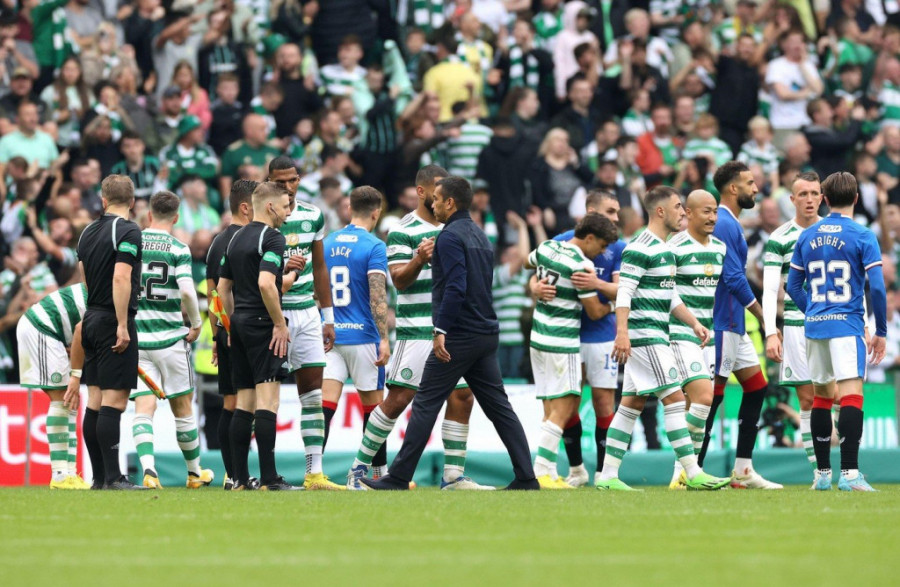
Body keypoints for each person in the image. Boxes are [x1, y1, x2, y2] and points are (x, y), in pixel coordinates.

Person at [361, 176, 538, 491]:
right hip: (486, 331)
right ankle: (526, 477)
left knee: (425, 403)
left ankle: (398, 477)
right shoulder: (480, 235)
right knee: (500, 408)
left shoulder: (448, 237)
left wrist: (440, 329)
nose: (434, 204)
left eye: (438, 199)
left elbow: (455, 288)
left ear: (450, 203)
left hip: (458, 335)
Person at [347, 166, 492, 491]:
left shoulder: (457, 228)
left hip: (452, 330)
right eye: (438, 189)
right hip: (416, 329)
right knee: (400, 398)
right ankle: (358, 468)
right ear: (423, 192)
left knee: (463, 396)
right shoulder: (403, 229)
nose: (443, 196)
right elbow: (398, 280)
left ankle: (453, 477)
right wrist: (418, 259)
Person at [596, 185, 730, 492]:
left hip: (656, 333)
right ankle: (691, 472)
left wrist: (694, 323)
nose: (682, 212)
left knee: (631, 404)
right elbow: (624, 292)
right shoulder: (639, 247)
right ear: (660, 211)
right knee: (675, 400)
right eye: (678, 206)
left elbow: (670, 295)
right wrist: (622, 333)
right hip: (646, 336)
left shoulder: (665, 248)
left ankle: (607, 475)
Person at [787, 172, 888, 492]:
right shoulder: (862, 235)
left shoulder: (807, 235)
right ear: (856, 198)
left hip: (815, 326)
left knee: (821, 397)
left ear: (825, 199)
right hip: (847, 325)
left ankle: (821, 474)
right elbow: (878, 288)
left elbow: (793, 286)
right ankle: (849, 473)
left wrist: (814, 312)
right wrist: (881, 330)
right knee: (851, 396)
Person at [539, 191, 625, 487]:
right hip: (568, 336)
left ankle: (604, 473)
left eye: (617, 212)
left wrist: (596, 283)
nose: (616, 218)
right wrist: (535, 288)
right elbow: (536, 270)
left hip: (601, 335)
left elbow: (623, 290)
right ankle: (577, 470)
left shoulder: (618, 247)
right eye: (610, 211)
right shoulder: (564, 240)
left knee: (603, 404)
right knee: (568, 405)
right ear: (591, 212)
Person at [217, 181, 298, 491]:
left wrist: (230, 324)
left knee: (244, 402)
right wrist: (279, 323)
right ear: (270, 206)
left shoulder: (234, 237)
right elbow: (266, 283)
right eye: (286, 206)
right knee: (268, 401)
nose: (288, 213)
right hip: (263, 324)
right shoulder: (272, 238)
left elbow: (222, 288)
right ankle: (269, 478)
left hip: (239, 323)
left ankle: (238, 478)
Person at [128, 191, 212, 490]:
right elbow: (188, 291)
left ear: (150, 214)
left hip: (138, 338)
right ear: (176, 218)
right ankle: (194, 473)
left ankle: (149, 470)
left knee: (143, 408)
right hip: (171, 340)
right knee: (183, 408)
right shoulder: (178, 247)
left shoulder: (133, 243)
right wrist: (196, 323)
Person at [708, 161, 782, 489]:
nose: (756, 188)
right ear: (733, 188)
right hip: (723, 322)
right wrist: (764, 317)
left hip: (734, 323)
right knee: (711, 397)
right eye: (750, 183)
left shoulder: (732, 223)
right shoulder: (724, 223)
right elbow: (733, 277)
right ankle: (688, 470)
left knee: (756, 388)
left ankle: (742, 470)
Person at [68, 174, 144, 490]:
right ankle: (113, 477)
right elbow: (121, 278)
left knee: (96, 400)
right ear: (133, 201)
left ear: (103, 200)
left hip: (92, 316)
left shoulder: (87, 231)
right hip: (114, 319)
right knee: (115, 401)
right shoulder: (128, 230)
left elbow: (85, 275)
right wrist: (122, 324)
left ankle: (99, 477)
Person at [269, 156, 339, 491]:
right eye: (279, 182)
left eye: (292, 180)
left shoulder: (313, 215)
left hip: (308, 314)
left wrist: (328, 317)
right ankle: (250, 472)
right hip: (271, 314)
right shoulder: (260, 217)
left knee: (312, 396)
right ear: (268, 182)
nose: (287, 188)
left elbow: (320, 268)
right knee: (262, 398)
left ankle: (314, 473)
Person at [319, 186, 389, 491]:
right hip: (364, 337)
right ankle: (376, 474)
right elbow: (378, 295)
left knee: (324, 406)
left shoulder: (326, 243)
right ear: (376, 213)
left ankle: (314, 472)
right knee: (375, 409)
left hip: (331, 336)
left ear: (349, 209)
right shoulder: (374, 246)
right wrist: (384, 338)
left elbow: (317, 289)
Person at [762, 172, 824, 481]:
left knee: (839, 396)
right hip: (797, 327)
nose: (809, 199)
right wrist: (771, 332)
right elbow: (770, 289)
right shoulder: (779, 238)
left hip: (833, 324)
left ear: (822, 197)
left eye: (814, 193)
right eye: (803, 194)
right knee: (808, 400)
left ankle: (850, 467)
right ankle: (820, 472)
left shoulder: (833, 231)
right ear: (792, 199)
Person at [665, 190, 727, 490]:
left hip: (708, 338)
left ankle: (685, 474)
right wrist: (692, 322)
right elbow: (667, 291)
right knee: (704, 398)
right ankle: (684, 470)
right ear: (688, 213)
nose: (712, 217)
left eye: (715, 211)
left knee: (697, 406)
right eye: (706, 211)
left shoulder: (720, 248)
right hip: (679, 333)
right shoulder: (673, 247)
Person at [205, 179, 257, 490]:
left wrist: (217, 334)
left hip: (225, 331)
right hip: (245, 331)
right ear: (246, 207)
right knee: (247, 405)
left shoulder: (216, 242)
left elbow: (212, 294)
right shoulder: (248, 240)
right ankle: (240, 474)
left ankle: (232, 474)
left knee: (230, 402)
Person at [17, 283, 89, 489]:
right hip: (42, 327)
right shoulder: (110, 295)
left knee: (70, 402)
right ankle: (59, 475)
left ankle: (70, 473)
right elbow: (81, 329)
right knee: (61, 399)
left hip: (54, 333)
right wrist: (76, 374)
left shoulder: (105, 286)